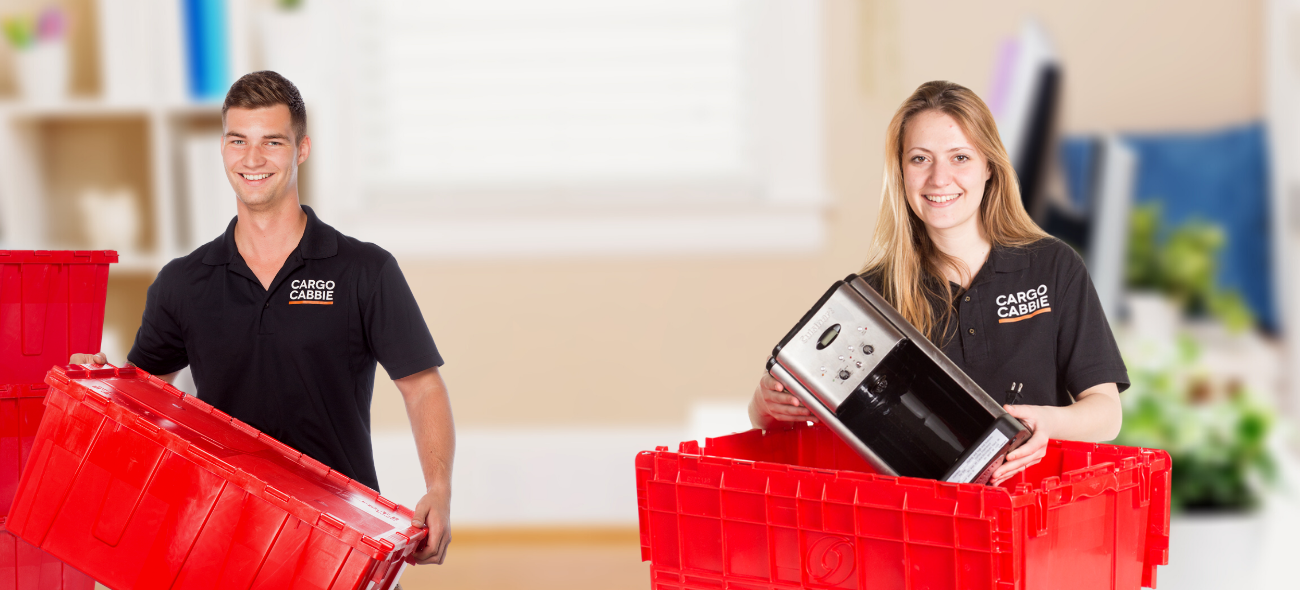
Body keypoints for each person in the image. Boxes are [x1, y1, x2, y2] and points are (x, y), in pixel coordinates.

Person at [71, 71, 453, 566]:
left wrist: (438, 489)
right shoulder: (183, 283)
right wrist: (102, 383)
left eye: (272, 142)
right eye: (238, 141)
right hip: (223, 534)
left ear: (301, 149)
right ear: (224, 149)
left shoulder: (365, 270)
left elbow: (422, 386)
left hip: (343, 540)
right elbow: (146, 400)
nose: (252, 159)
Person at [749, 80, 1127, 486]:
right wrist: (764, 403)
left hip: (1033, 510)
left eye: (960, 157)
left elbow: (1107, 414)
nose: (939, 178)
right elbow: (794, 425)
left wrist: (1044, 421)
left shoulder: (1052, 266)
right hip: (920, 523)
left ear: (989, 167)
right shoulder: (873, 297)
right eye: (919, 159)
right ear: (901, 171)